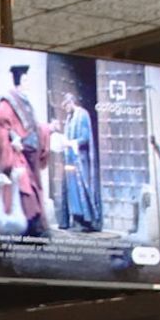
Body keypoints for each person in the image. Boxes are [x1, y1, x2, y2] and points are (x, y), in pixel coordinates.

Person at [0, 63, 50, 237]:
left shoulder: (26, 102)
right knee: (25, 188)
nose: (28, 82)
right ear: (19, 81)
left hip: (31, 154)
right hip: (18, 154)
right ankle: (26, 229)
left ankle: (34, 229)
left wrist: (48, 129)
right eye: (25, 79)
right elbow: (2, 128)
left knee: (34, 189)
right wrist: (13, 140)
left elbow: (34, 127)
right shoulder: (7, 103)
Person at [58, 91, 101, 233]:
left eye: (66, 106)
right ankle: (75, 218)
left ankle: (87, 220)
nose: (66, 110)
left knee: (81, 189)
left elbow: (85, 137)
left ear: (71, 103)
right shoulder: (69, 117)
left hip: (80, 160)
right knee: (71, 191)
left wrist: (71, 143)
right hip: (70, 160)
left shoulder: (82, 115)